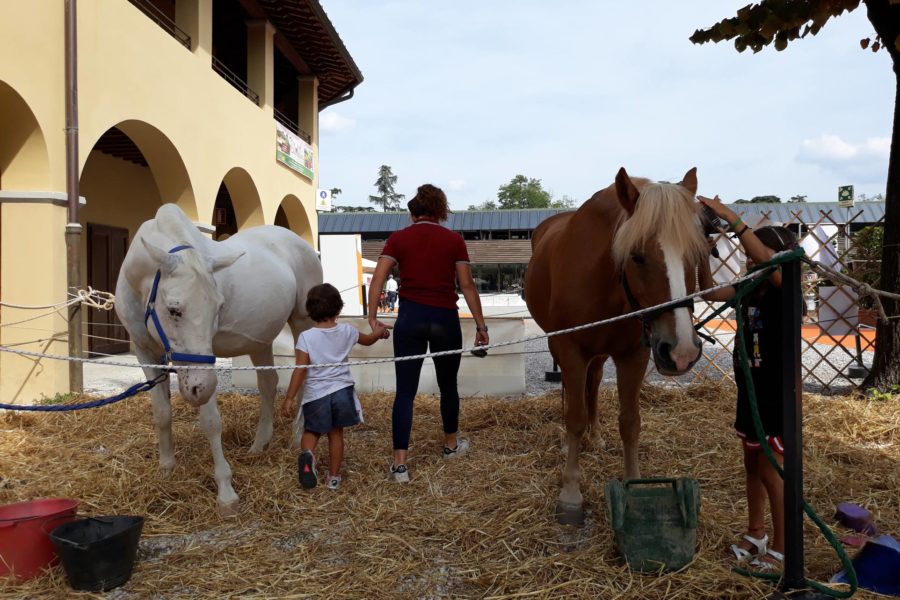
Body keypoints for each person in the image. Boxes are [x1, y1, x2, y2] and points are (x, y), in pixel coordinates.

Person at [698, 194, 802, 571]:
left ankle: (783, 547)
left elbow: (766, 259)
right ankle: (756, 531)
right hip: (751, 388)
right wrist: (701, 257)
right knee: (752, 464)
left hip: (777, 392)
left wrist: (730, 217)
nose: (748, 255)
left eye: (757, 250)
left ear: (780, 257)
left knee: (773, 470)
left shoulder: (785, 286)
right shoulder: (751, 288)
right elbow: (710, 293)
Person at [367, 183, 489, 483]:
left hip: (410, 318)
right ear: (440, 211)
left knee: (405, 393)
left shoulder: (398, 238)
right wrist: (481, 325)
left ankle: (400, 466)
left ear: (414, 212)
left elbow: (378, 278)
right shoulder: (453, 240)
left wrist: (372, 319)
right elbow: (467, 285)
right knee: (449, 386)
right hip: (444, 318)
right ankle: (450, 446)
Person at [281, 283, 390, 490]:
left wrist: (289, 397)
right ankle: (333, 478)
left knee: (311, 432)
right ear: (339, 308)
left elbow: (300, 369)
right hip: (342, 391)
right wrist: (380, 332)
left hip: (316, 394)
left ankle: (308, 457)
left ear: (310, 311)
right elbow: (368, 340)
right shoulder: (347, 331)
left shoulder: (306, 337)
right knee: (336, 434)